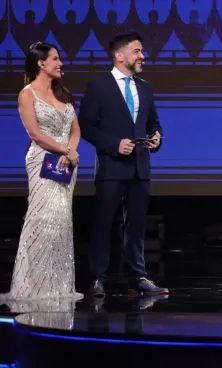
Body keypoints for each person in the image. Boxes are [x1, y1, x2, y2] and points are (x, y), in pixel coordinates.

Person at [79, 32, 168, 298]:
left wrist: (157, 137)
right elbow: (85, 126)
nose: (143, 56)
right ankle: (97, 278)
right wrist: (113, 144)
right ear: (120, 56)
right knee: (104, 223)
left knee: (137, 226)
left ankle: (138, 277)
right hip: (111, 166)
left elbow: (154, 123)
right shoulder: (98, 86)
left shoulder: (145, 87)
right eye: (138, 51)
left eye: (142, 52)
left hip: (140, 166)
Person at [0, 42, 82, 305]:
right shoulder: (27, 94)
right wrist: (64, 150)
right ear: (40, 63)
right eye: (55, 59)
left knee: (61, 223)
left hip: (66, 165)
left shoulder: (63, 94)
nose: (60, 63)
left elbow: (75, 130)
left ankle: (57, 286)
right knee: (41, 221)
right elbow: (34, 133)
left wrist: (70, 151)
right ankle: (32, 286)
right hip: (42, 162)